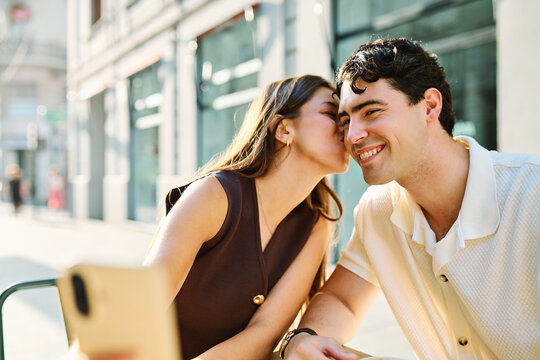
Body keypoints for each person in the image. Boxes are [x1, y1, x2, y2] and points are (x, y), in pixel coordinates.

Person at [282, 38, 540, 360]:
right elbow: (342, 301)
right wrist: (304, 338)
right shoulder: (378, 210)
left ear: (430, 106)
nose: (352, 136)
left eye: (372, 112)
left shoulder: (533, 195)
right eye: (345, 121)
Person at [76, 74, 350, 360]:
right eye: (332, 114)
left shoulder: (317, 223)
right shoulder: (215, 194)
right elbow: (143, 304)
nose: (345, 127)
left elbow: (265, 333)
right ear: (283, 130)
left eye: (346, 118)